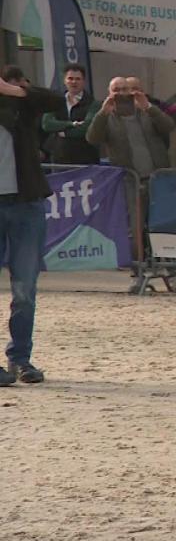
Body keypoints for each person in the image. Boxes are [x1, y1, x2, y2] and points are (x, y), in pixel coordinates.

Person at [86, 75, 176, 293]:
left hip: (157, 179)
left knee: (163, 226)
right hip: (129, 180)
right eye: (117, 89)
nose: (123, 94)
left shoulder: (147, 111)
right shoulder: (107, 116)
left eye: (127, 89)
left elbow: (169, 126)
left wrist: (148, 107)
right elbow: (92, 138)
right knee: (135, 230)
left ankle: (171, 272)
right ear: (110, 92)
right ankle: (138, 274)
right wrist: (103, 112)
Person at [0, 66, 64, 384]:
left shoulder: (19, 106)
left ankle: (20, 359)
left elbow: (56, 101)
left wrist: (12, 90)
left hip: (25, 204)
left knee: (25, 289)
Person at [41, 63, 100, 165]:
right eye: (70, 78)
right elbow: (47, 124)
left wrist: (62, 132)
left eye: (78, 79)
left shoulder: (93, 103)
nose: (74, 82)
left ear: (84, 81)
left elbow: (86, 128)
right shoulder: (55, 101)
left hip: (86, 158)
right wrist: (71, 124)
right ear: (64, 80)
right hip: (59, 158)